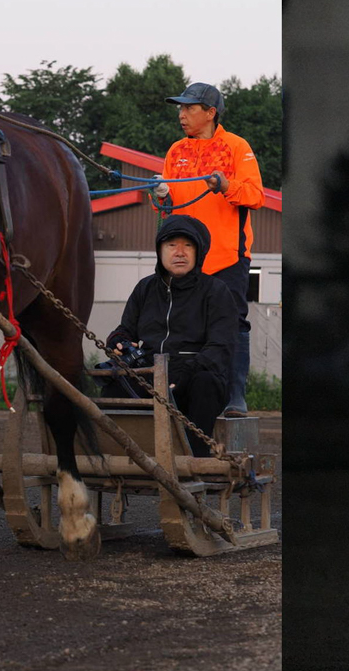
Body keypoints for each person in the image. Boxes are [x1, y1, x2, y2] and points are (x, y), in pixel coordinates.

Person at [159, 82, 265, 417]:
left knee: (232, 322)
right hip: (184, 259)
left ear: (210, 113)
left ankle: (235, 397)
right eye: (180, 108)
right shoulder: (175, 151)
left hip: (226, 256)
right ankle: (178, 395)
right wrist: (159, 198)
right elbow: (168, 205)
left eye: (189, 108)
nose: (182, 114)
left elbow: (255, 195)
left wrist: (225, 184)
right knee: (178, 325)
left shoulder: (237, 147)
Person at [106, 215, 238, 458]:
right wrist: (117, 341)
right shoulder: (145, 288)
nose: (180, 252)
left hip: (195, 376)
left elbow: (220, 347)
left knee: (205, 383)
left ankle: (194, 459)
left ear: (199, 252)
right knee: (111, 385)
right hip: (150, 374)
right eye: (171, 245)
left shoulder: (216, 291)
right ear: (159, 251)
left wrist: (184, 374)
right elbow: (124, 329)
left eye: (187, 245)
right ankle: (125, 457)